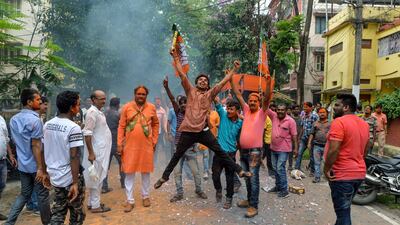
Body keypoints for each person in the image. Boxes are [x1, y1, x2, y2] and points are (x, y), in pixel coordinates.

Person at [154, 52, 251, 190]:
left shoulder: (211, 94)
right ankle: (164, 177)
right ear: (196, 83)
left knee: (220, 151)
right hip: (187, 131)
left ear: (208, 85)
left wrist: (234, 70)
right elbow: (182, 74)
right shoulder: (190, 91)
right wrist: (175, 58)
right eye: (200, 80)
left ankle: (239, 171)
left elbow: (223, 81)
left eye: (205, 80)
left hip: (202, 131)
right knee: (177, 155)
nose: (203, 81)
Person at [6, 88, 51, 225]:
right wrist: (40, 168)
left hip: (23, 164)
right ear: (29, 102)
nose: (40, 101)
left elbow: (15, 141)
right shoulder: (35, 120)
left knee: (24, 194)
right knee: (43, 195)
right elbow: (36, 145)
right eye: (37, 100)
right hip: (35, 165)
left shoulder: (14, 119)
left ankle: (9, 222)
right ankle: (47, 222)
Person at [324, 93, 369, 225]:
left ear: (346, 107)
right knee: (344, 210)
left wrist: (326, 168)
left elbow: (334, 149)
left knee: (343, 214)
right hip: (359, 173)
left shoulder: (339, 122)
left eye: (337, 105)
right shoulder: (364, 124)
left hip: (343, 174)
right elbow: (367, 148)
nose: (334, 108)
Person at [230, 74, 271, 218]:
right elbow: (236, 93)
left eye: (255, 101)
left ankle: (254, 205)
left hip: (255, 152)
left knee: (253, 178)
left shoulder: (262, 113)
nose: (252, 102)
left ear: (259, 102)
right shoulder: (246, 110)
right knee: (246, 177)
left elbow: (267, 98)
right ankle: (249, 200)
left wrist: (268, 82)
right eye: (250, 100)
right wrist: (230, 78)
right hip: (243, 151)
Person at [43, 91, 85, 224]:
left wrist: (45, 172)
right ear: (72, 107)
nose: (79, 107)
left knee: (58, 213)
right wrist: (74, 183)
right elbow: (74, 156)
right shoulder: (73, 128)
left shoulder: (47, 124)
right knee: (77, 214)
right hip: (69, 177)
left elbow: (44, 150)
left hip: (55, 176)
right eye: (78, 104)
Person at [163, 78, 207, 202]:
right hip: (178, 148)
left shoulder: (193, 113)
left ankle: (198, 190)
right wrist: (166, 88)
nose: (183, 105)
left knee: (196, 172)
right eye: (181, 102)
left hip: (191, 148)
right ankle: (179, 193)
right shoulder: (177, 112)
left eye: (185, 102)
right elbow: (172, 99)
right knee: (177, 172)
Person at [117, 86, 159, 212]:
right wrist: (119, 144)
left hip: (146, 145)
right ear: (134, 94)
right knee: (129, 172)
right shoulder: (127, 107)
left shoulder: (151, 107)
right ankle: (130, 200)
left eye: (143, 94)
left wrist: (154, 140)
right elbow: (121, 126)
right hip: (129, 145)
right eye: (139, 94)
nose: (141, 96)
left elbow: (156, 124)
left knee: (145, 171)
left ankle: (145, 196)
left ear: (146, 95)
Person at [82, 90, 112, 213]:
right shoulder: (92, 113)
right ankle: (95, 206)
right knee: (96, 178)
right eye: (101, 99)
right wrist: (91, 152)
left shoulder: (98, 112)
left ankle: (91, 203)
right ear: (93, 99)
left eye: (104, 98)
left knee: (95, 176)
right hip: (96, 152)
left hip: (100, 150)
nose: (104, 101)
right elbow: (87, 133)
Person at [212, 97, 242, 210]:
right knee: (215, 175)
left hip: (231, 154)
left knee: (229, 178)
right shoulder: (223, 115)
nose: (229, 111)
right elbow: (217, 102)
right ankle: (218, 189)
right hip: (219, 152)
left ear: (237, 110)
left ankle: (229, 199)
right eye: (228, 108)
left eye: (231, 109)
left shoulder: (240, 122)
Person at [266, 102, 298, 199]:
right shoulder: (274, 116)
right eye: (278, 109)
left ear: (286, 111)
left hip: (284, 149)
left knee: (280, 168)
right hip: (273, 148)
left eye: (282, 110)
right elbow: (265, 108)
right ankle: (278, 186)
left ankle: (284, 190)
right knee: (275, 169)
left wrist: (296, 148)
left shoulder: (291, 121)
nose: (280, 111)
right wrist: (263, 97)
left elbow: (294, 135)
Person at [27, 96, 49, 214]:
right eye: (43, 104)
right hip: (35, 154)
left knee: (32, 181)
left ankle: (31, 204)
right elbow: (36, 142)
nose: (45, 106)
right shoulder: (36, 120)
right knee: (38, 178)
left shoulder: (40, 119)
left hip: (35, 153)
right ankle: (36, 206)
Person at [102, 97, 125, 192]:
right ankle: (123, 183)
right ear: (117, 104)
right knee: (122, 163)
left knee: (105, 165)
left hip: (105, 142)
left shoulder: (104, 113)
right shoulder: (118, 114)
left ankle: (104, 186)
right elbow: (122, 128)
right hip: (116, 142)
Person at [0, 115, 17, 221]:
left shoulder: (1, 118)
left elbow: (6, 139)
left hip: (2, 160)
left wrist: (10, 155)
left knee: (1, 187)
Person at [295, 102, 319, 176]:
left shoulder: (314, 116)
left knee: (311, 156)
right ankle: (297, 169)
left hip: (312, 139)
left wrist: (311, 139)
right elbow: (302, 128)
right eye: (304, 107)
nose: (304, 108)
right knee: (299, 153)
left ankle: (312, 171)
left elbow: (316, 128)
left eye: (306, 107)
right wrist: (299, 138)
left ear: (311, 108)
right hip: (304, 138)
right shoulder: (303, 116)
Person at [307, 108, 330, 183]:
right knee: (317, 162)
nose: (322, 114)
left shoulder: (330, 124)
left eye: (323, 112)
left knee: (326, 162)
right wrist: (309, 143)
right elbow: (312, 134)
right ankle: (317, 177)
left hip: (327, 146)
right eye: (320, 112)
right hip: (317, 146)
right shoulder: (315, 123)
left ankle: (327, 176)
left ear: (327, 114)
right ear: (318, 114)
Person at [198, 109, 220, 180]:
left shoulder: (215, 113)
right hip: (204, 138)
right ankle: (205, 171)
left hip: (213, 137)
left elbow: (218, 123)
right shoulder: (201, 113)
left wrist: (214, 125)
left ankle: (209, 168)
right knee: (205, 155)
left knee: (211, 154)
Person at [154, 97, 168, 166]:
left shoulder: (162, 111)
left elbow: (164, 122)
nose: (158, 103)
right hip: (150, 133)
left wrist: (166, 132)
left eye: (159, 102)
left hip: (159, 133)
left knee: (157, 148)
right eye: (157, 102)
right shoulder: (151, 109)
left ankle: (155, 162)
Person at [289, 104, 302, 171]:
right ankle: (290, 165)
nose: (297, 110)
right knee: (290, 152)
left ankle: (297, 166)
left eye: (298, 109)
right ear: (292, 110)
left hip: (298, 138)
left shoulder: (301, 118)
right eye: (295, 109)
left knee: (298, 152)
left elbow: (302, 128)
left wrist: (299, 138)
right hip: (290, 138)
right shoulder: (290, 118)